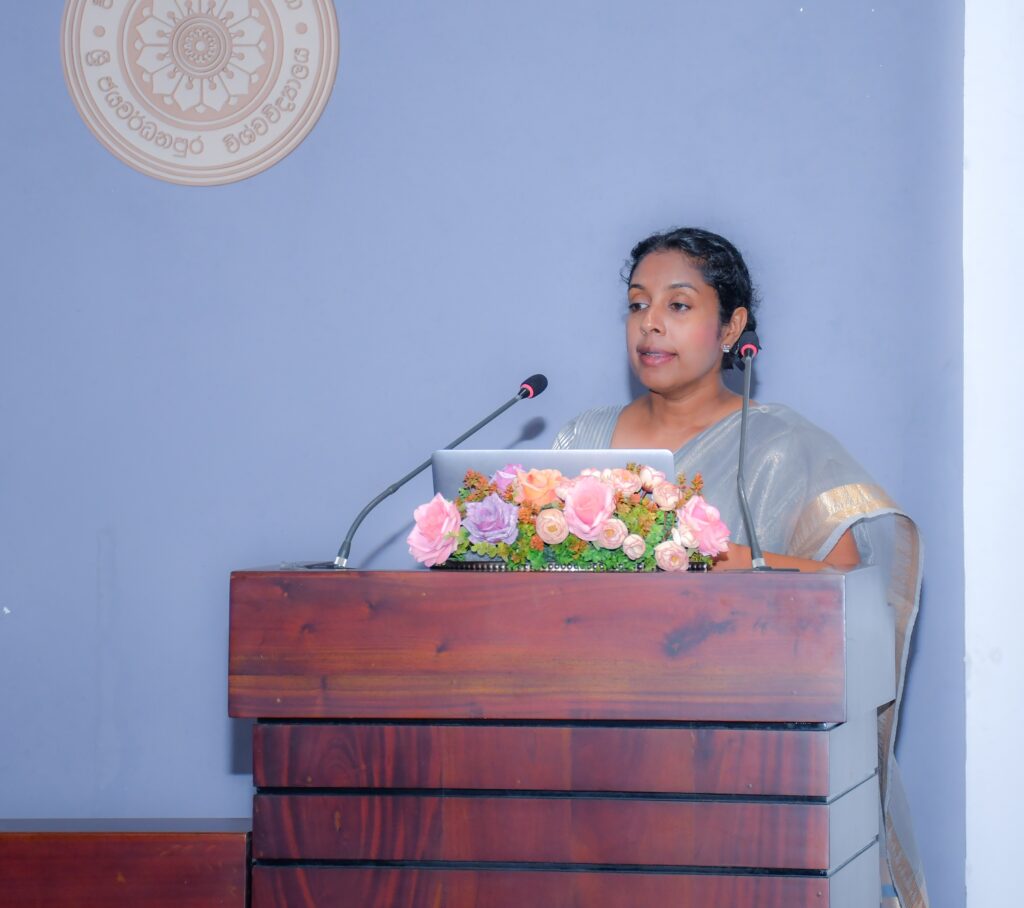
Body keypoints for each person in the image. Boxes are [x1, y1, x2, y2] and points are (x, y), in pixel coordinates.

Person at [553, 226, 927, 908]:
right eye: (637, 304)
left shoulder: (780, 444)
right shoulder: (583, 441)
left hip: (734, 755)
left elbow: (848, 597)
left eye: (679, 304)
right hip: (588, 744)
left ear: (732, 327)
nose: (651, 323)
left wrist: (735, 561)